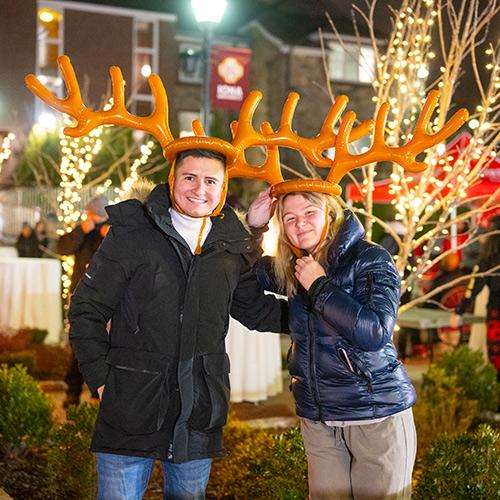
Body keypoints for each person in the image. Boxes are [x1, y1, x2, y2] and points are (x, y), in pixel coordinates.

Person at [68, 149, 288, 499]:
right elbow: (85, 310)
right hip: (129, 405)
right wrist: (101, 380)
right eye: (189, 177)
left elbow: (257, 310)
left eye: (210, 181)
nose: (199, 188)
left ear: (222, 189)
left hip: (198, 409)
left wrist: (319, 317)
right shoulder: (132, 234)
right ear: (172, 181)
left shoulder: (228, 249)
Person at [248, 188, 417, 500]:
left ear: (330, 212)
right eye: (290, 218)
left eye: (309, 213)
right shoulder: (294, 266)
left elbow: (375, 333)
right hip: (319, 419)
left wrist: (320, 286)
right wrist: (255, 228)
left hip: (375, 413)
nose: (300, 224)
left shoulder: (370, 258)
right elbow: (243, 273)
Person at [58, 194, 110, 407]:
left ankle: (98, 393)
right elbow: (62, 248)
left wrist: (110, 235)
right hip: (80, 295)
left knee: (103, 346)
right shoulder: (83, 231)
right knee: (77, 344)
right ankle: (72, 392)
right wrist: (82, 230)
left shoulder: (114, 230)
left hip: (106, 298)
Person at [453, 215, 500, 383]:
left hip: (496, 314)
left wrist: (459, 311)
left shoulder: (488, 260)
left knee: (497, 359)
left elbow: (473, 287)